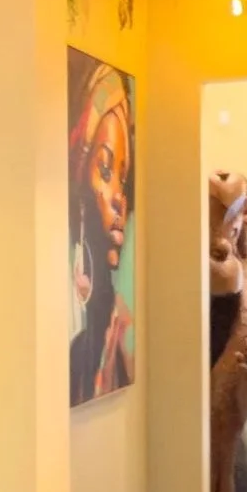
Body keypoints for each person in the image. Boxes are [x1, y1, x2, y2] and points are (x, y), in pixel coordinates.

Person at [68, 61, 135, 401]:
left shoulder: (122, 334)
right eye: (106, 171)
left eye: (122, 177)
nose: (119, 199)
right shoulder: (71, 336)